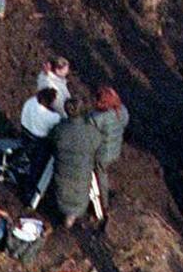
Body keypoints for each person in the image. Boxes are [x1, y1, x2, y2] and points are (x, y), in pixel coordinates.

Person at [49, 99, 105, 229]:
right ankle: (73, 216)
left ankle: (68, 216)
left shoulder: (60, 129)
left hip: (62, 182)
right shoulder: (91, 132)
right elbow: (98, 144)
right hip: (82, 180)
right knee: (79, 187)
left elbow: (51, 140)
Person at [89, 87, 129, 220]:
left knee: (101, 176)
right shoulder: (122, 111)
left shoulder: (97, 117)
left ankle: (104, 204)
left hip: (102, 155)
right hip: (115, 150)